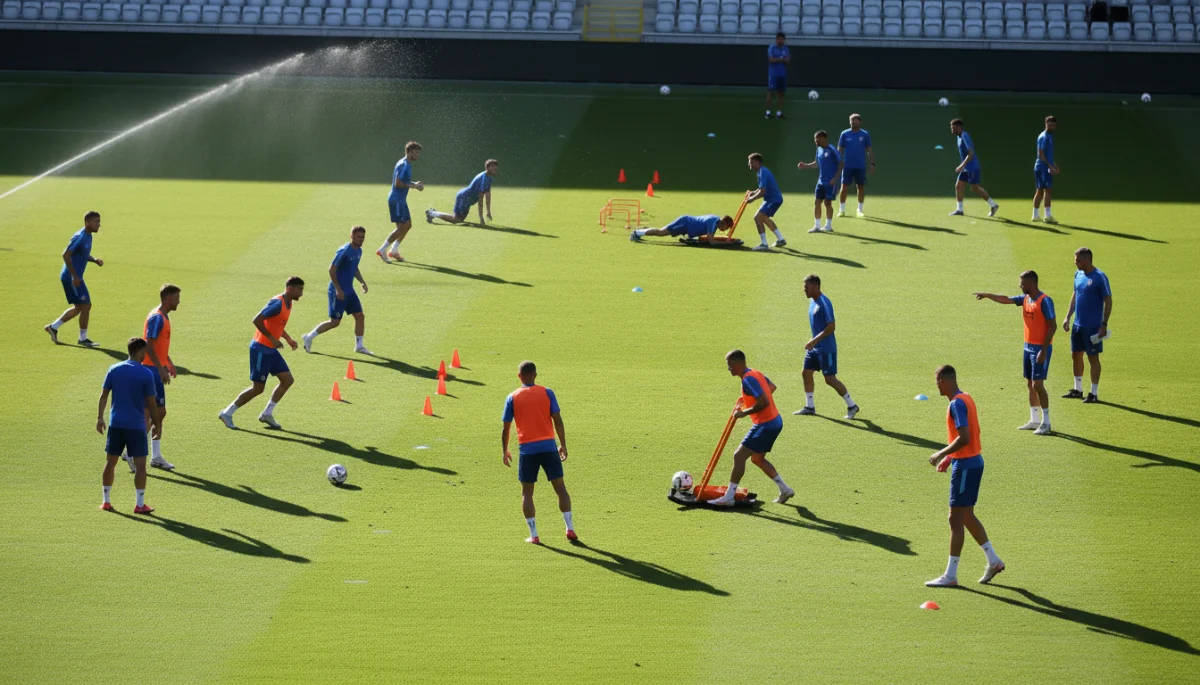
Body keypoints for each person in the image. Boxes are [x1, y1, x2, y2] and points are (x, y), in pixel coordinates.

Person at [924, 365, 1005, 588]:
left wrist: (941, 453)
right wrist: (952, 457)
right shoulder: (966, 397)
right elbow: (973, 434)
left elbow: (965, 437)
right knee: (966, 516)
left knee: (955, 518)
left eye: (937, 382)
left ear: (942, 382)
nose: (936, 386)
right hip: (973, 461)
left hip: (966, 466)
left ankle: (950, 575)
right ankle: (994, 561)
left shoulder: (956, 404)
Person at [501, 361, 576, 545]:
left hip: (527, 450)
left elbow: (506, 428)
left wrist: (505, 450)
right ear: (535, 375)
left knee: (527, 492)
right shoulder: (547, 392)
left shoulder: (512, 397)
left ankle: (534, 535)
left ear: (519, 376)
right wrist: (563, 444)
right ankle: (570, 528)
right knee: (560, 488)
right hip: (549, 447)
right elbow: (558, 420)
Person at [973, 271, 1055, 435]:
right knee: (1030, 383)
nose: (1020, 285)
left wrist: (1044, 350)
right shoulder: (1025, 299)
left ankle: (1046, 423)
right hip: (1027, 347)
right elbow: (1006, 299)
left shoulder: (1045, 301)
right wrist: (988, 295)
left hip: (1040, 348)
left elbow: (1053, 326)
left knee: (1038, 385)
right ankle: (1034, 419)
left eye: (1022, 283)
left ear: (1032, 283)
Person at [709, 350, 794, 506]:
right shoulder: (755, 372)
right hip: (775, 421)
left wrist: (743, 412)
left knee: (739, 456)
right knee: (757, 458)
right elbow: (771, 387)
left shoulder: (748, 380)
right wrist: (749, 399)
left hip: (766, 424)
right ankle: (785, 489)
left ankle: (729, 497)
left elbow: (764, 402)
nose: (728, 368)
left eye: (730, 365)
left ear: (738, 364)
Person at [218, 277, 305, 430]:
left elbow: (277, 324)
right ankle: (227, 413)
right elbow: (257, 320)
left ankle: (267, 413)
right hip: (261, 350)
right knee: (258, 388)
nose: (301, 293)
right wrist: (272, 339)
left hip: (271, 350)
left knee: (287, 380)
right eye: (299, 289)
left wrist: (288, 339)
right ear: (289, 289)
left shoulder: (288, 303)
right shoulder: (277, 303)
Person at [97, 337, 162, 514]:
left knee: (110, 462)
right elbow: (151, 403)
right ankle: (139, 505)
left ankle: (106, 501)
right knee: (140, 466)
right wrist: (156, 424)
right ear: (140, 352)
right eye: (144, 352)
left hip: (116, 424)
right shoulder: (146, 374)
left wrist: (100, 418)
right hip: (136, 426)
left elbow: (104, 396)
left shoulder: (114, 369)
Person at [793, 275, 859, 419]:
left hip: (826, 348)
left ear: (816, 286)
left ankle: (852, 405)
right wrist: (814, 342)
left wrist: (814, 340)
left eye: (807, 287)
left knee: (829, 379)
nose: (804, 290)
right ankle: (809, 407)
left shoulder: (824, 302)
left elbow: (831, 327)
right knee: (806, 372)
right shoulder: (812, 302)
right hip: (815, 348)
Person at [304, 226, 371, 356]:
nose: (361, 239)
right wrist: (338, 290)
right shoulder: (344, 251)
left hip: (349, 291)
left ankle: (359, 346)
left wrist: (362, 282)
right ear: (351, 236)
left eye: (363, 237)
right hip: (337, 291)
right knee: (335, 322)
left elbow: (354, 268)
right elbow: (331, 270)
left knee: (359, 316)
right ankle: (309, 337)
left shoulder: (359, 251)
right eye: (358, 237)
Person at [45, 211, 103, 348]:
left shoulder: (88, 236)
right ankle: (82, 339)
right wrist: (75, 276)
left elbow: (83, 254)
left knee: (80, 307)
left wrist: (94, 260)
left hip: (75, 277)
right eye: (96, 221)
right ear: (87, 222)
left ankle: (53, 327)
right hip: (71, 278)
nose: (99, 225)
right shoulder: (80, 237)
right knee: (86, 306)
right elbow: (65, 255)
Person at [139, 284, 181, 471]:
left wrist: (168, 362)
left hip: (154, 369)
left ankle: (155, 456)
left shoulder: (163, 316)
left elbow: (159, 345)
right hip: (150, 370)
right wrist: (160, 368)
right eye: (177, 298)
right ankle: (133, 451)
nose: (179, 301)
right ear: (168, 298)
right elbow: (148, 345)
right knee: (152, 413)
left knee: (159, 413)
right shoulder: (157, 317)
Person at [1062, 247, 1112, 403]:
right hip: (1078, 325)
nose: (1075, 262)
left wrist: (1104, 324)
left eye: (1077, 260)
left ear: (1087, 259)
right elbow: (1075, 294)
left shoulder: (1099, 277)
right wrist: (1068, 317)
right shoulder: (1078, 274)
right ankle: (1078, 389)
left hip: (1093, 326)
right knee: (1076, 355)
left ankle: (1093, 393)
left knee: (1093, 358)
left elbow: (1108, 301)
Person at [377, 141, 425, 263]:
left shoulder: (406, 164)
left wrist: (415, 184)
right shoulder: (404, 165)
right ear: (409, 152)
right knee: (402, 227)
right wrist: (414, 186)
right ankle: (382, 249)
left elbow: (404, 181)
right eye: (415, 152)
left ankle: (394, 250)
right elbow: (397, 183)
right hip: (396, 200)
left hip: (400, 200)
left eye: (418, 153)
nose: (417, 155)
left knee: (407, 225)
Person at [948, 119, 999, 218]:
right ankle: (959, 210)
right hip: (966, 168)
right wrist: (963, 166)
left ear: (959, 127)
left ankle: (993, 205)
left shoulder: (965, 136)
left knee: (975, 188)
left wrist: (961, 166)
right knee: (959, 186)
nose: (952, 130)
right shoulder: (958, 137)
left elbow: (971, 154)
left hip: (972, 168)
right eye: (951, 128)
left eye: (954, 128)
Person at [796, 130, 842, 233]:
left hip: (830, 182)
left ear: (824, 138)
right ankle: (817, 226)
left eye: (818, 139)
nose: (816, 141)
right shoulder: (819, 150)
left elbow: (841, 164)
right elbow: (817, 163)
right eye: (815, 139)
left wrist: (835, 178)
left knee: (827, 202)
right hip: (821, 181)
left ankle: (828, 226)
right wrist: (806, 166)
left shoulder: (832, 149)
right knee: (817, 202)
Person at [428, 159, 497, 226]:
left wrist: (488, 212)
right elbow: (480, 199)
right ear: (487, 167)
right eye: (492, 166)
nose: (495, 168)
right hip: (465, 198)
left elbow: (488, 195)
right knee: (457, 219)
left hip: (465, 197)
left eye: (495, 166)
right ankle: (432, 213)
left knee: (457, 218)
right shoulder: (484, 178)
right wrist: (481, 218)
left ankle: (433, 213)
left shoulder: (489, 178)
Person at [745, 153, 786, 251]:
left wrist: (752, 199)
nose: (749, 164)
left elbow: (763, 191)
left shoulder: (763, 172)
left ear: (757, 162)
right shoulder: (760, 171)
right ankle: (781, 239)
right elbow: (761, 188)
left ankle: (764, 244)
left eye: (751, 162)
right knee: (763, 218)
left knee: (757, 218)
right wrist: (753, 192)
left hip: (773, 199)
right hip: (772, 199)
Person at [837, 114, 874, 218]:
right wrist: (838, 161)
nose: (853, 122)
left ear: (860, 122)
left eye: (855, 120)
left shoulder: (865, 134)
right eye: (851, 120)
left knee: (860, 187)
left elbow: (869, 150)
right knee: (844, 187)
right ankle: (841, 210)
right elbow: (840, 149)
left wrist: (872, 163)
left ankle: (860, 210)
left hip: (860, 166)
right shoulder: (844, 134)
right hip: (847, 166)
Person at [628, 214, 734, 242]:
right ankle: (636, 233)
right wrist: (726, 244)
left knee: (661, 231)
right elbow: (711, 241)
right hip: (684, 223)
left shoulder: (715, 221)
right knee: (661, 232)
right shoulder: (713, 222)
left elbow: (708, 238)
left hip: (687, 225)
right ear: (724, 223)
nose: (726, 230)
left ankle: (642, 231)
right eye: (727, 227)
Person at [1032, 116, 1059, 224]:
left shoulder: (1049, 136)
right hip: (1043, 168)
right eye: (1049, 125)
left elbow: (1048, 155)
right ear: (1045, 124)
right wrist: (1050, 166)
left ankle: (1035, 215)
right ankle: (1047, 216)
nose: (1051, 127)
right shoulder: (1044, 137)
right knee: (1047, 190)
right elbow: (1041, 154)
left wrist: (1054, 165)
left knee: (1040, 191)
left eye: (1053, 125)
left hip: (1041, 167)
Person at [765, 32, 790, 119]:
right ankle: (768, 113)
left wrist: (779, 59)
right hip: (773, 74)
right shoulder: (772, 48)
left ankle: (779, 113)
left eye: (782, 39)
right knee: (770, 93)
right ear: (776, 40)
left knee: (781, 94)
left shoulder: (786, 48)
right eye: (779, 39)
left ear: (784, 40)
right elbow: (771, 60)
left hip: (782, 74)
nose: (780, 41)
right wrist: (782, 59)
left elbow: (788, 61)